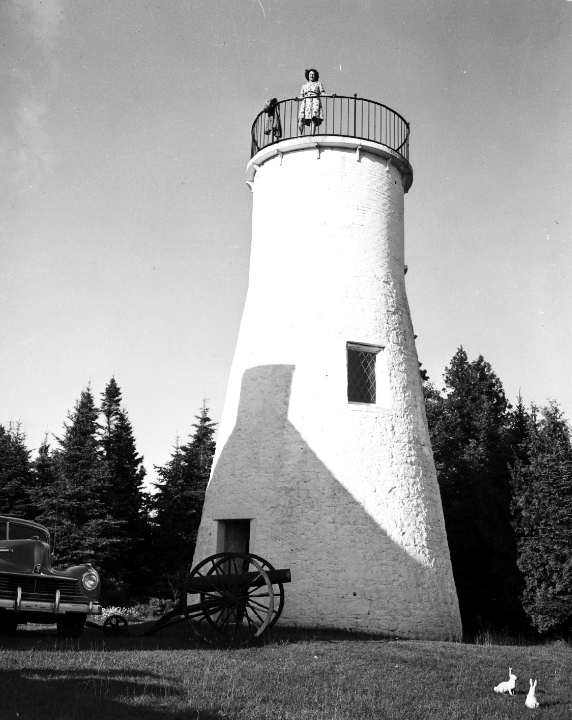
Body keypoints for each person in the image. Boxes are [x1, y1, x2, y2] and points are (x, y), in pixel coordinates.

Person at [298, 69, 328, 136]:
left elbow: (323, 93)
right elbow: (301, 96)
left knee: (313, 119)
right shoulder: (304, 86)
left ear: (315, 76)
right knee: (301, 118)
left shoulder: (318, 84)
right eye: (310, 74)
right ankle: (300, 135)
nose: (311, 76)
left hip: (315, 101)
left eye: (313, 74)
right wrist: (297, 99)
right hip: (306, 102)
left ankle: (312, 135)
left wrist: (331, 95)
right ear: (308, 76)